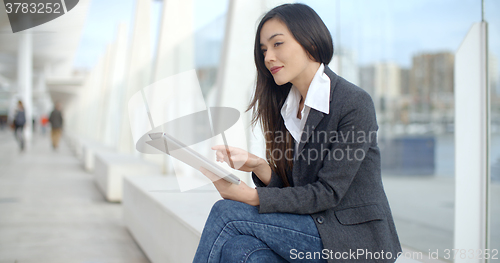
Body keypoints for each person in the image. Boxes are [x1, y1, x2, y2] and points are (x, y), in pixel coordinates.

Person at [194, 3, 402, 263]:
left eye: (277, 44)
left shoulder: (354, 103)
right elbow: (297, 191)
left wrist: (251, 196)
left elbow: (326, 193)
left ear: (310, 42)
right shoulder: (287, 107)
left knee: (226, 212)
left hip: (352, 240)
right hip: (312, 227)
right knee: (240, 249)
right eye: (264, 50)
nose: (268, 57)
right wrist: (259, 166)